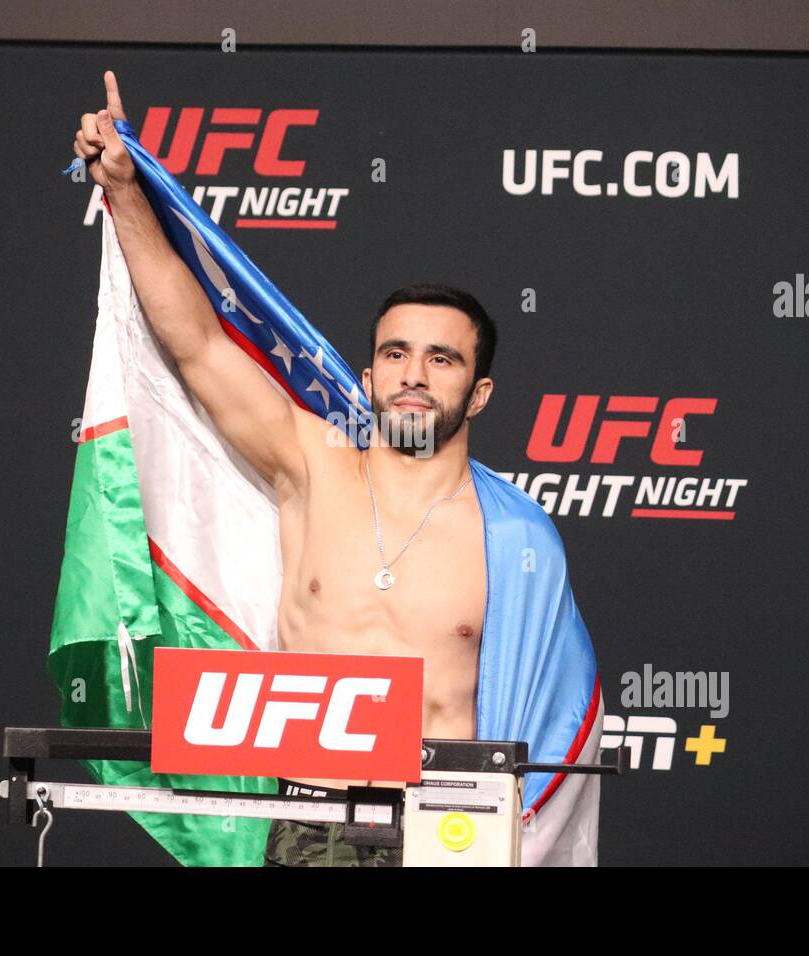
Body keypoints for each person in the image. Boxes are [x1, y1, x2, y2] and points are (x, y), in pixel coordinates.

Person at [74, 71, 500, 866]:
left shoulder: (510, 536)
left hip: (451, 825)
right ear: (367, 380)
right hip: (312, 821)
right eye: (395, 354)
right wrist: (127, 192)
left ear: (477, 394)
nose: (414, 373)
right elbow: (197, 342)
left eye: (441, 359)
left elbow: (547, 710)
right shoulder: (311, 465)